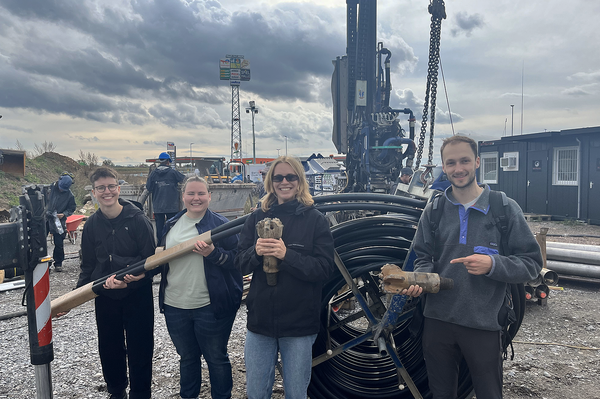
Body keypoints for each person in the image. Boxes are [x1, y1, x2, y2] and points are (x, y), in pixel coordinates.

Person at [402, 135, 543, 399]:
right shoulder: (433, 210)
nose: (458, 168)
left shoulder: (504, 209)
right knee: (441, 394)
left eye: (465, 160)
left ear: (477, 162)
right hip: (437, 323)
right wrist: (419, 282)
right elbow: (422, 257)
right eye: (451, 162)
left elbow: (532, 264)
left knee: (489, 394)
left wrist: (493, 264)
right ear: (443, 167)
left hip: (483, 326)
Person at [234, 156, 335, 399]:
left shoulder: (315, 221)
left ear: (300, 181)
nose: (284, 182)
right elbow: (239, 263)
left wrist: (286, 255)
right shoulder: (256, 218)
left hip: (299, 326)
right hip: (261, 323)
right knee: (256, 392)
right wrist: (256, 252)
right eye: (278, 177)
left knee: (296, 393)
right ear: (271, 182)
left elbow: (324, 269)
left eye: (291, 177)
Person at [75, 167, 157, 399]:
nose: (107, 192)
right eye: (101, 188)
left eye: (111, 186)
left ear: (119, 189)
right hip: (105, 296)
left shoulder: (138, 220)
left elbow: (152, 262)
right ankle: (116, 390)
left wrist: (133, 281)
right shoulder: (91, 225)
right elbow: (88, 266)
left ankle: (141, 393)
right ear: (94, 192)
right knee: (109, 347)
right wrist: (72, 299)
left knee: (140, 347)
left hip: (137, 295)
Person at [158, 176, 242, 399]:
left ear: (209, 196)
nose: (196, 198)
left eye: (201, 193)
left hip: (210, 305)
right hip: (175, 304)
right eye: (191, 194)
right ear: (183, 196)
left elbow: (239, 260)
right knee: (187, 357)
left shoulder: (222, 225)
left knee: (216, 357)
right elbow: (160, 260)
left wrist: (213, 254)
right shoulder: (170, 225)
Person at [146, 152, 185, 239]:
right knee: (172, 227)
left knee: (159, 228)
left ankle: (160, 246)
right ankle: (171, 245)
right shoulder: (173, 173)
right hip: (172, 206)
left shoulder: (153, 174)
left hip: (158, 207)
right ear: (168, 161)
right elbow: (185, 180)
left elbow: (148, 187)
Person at [46, 172, 76, 272]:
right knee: (39, 241)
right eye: (60, 188)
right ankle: (40, 263)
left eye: (63, 189)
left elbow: (72, 208)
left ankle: (58, 263)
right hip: (45, 218)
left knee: (59, 244)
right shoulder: (49, 189)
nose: (61, 190)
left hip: (58, 220)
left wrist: (64, 214)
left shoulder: (69, 195)